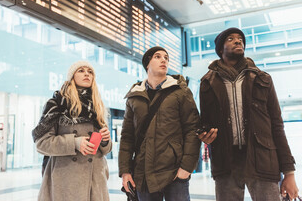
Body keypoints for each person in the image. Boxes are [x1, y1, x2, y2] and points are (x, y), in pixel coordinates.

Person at [198, 27, 299, 200]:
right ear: (220, 49)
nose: (238, 41)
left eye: (240, 39)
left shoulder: (262, 78)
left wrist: (289, 172)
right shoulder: (208, 83)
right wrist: (203, 133)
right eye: (231, 39)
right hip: (225, 162)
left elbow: (277, 124)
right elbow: (205, 122)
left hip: (262, 158)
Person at [118, 46, 201, 201]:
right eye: (157, 56)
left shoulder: (180, 92)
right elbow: (127, 137)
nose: (163, 60)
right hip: (143, 173)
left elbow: (192, 129)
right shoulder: (134, 97)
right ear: (147, 64)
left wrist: (186, 168)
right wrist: (125, 171)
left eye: (166, 57)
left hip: (175, 172)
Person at [32, 61, 112, 201]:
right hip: (66, 181)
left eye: (90, 71)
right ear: (72, 77)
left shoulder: (98, 105)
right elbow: (41, 143)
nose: (86, 73)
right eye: (81, 70)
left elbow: (105, 150)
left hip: (96, 181)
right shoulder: (56, 104)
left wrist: (105, 141)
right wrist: (74, 142)